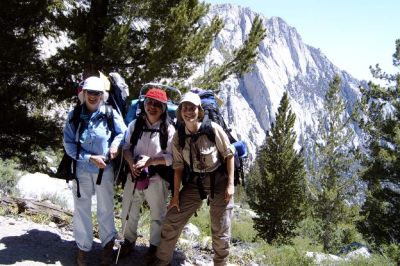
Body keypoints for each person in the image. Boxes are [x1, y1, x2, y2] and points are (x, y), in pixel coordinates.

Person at [149, 92, 235, 266]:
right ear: (180, 112)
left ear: (199, 110)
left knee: (220, 228)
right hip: (195, 183)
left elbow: (229, 155)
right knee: (172, 218)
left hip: (219, 180)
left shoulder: (213, 129)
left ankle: (220, 263)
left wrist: (230, 185)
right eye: (184, 108)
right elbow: (178, 167)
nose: (188, 112)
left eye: (192, 108)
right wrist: (175, 196)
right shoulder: (178, 136)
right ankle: (161, 260)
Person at [63, 76, 127, 266]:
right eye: (89, 92)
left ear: (102, 95)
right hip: (82, 169)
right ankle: (83, 248)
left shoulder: (109, 112)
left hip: (104, 169)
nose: (93, 96)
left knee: (106, 208)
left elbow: (122, 132)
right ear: (84, 94)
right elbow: (68, 143)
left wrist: (115, 146)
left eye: (97, 93)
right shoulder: (74, 115)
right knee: (81, 209)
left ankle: (107, 246)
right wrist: (89, 158)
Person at [118, 88, 175, 262]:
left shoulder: (169, 129)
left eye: (157, 104)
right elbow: (126, 147)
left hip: (157, 179)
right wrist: (131, 163)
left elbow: (171, 158)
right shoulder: (135, 125)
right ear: (144, 104)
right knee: (128, 210)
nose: (152, 107)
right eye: (149, 102)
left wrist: (149, 162)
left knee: (157, 215)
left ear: (164, 108)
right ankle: (128, 242)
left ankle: (154, 248)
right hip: (134, 175)